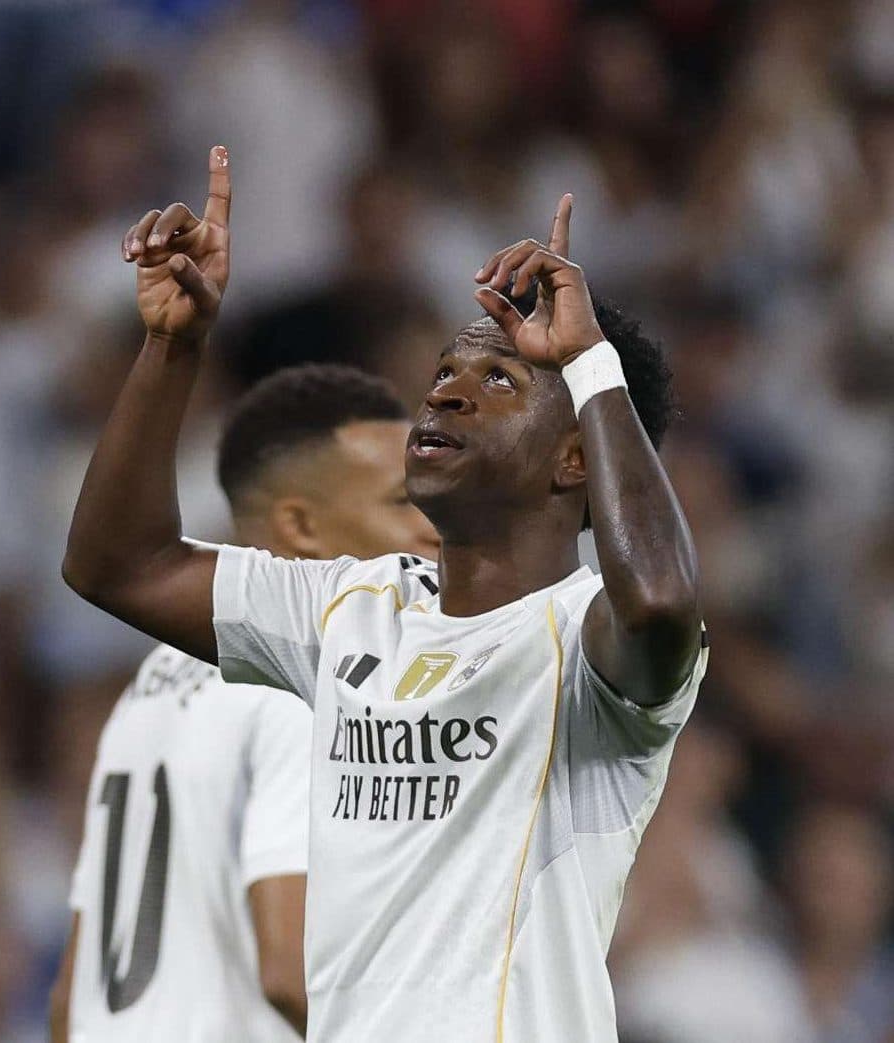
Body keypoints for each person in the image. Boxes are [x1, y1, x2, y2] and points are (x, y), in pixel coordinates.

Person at [62, 146, 706, 1041]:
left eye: (499, 379)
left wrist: (591, 361)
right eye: (443, 372)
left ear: (574, 459)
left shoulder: (586, 641)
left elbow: (663, 602)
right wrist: (172, 348)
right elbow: (117, 566)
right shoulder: (349, 609)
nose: (446, 395)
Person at [49, 361, 438, 1042]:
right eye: (403, 501)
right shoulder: (308, 680)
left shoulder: (152, 681)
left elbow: (69, 996)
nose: (434, 527)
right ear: (300, 525)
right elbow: (291, 967)